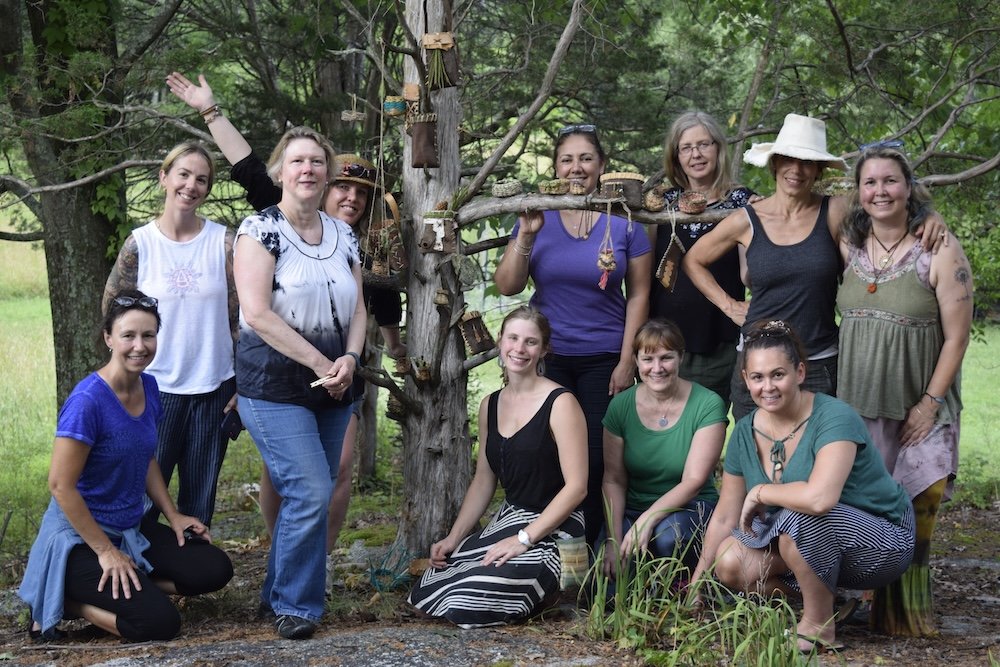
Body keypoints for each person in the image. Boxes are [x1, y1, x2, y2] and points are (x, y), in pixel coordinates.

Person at [166, 71, 405, 553]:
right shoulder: (274, 218)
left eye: (361, 194)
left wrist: (391, 348)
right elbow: (247, 164)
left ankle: (318, 558)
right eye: (344, 188)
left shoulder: (358, 243)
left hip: (341, 371)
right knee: (291, 475)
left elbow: (377, 304)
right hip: (278, 375)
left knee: (337, 469)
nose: (351, 199)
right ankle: (285, 548)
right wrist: (210, 111)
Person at [683, 113, 946, 421]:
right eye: (788, 160)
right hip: (758, 365)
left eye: (807, 162)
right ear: (775, 164)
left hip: (818, 364)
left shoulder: (834, 210)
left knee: (820, 450)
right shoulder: (747, 219)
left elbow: (888, 202)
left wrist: (929, 216)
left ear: (819, 169)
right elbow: (693, 260)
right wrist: (729, 306)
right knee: (754, 448)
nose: (796, 170)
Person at [19, 290, 233, 642]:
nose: (139, 346)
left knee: (214, 567)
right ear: (108, 338)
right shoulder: (87, 402)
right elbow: (60, 486)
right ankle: (67, 600)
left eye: (148, 335)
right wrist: (106, 552)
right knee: (159, 623)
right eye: (128, 335)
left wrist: (173, 515)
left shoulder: (148, 386)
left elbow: (144, 455)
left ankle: (133, 582)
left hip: (130, 530)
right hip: (79, 540)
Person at [690, 320, 915, 654]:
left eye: (778, 374)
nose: (768, 386)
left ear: (799, 372)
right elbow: (725, 516)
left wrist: (761, 492)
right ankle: (828, 604)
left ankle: (818, 627)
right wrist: (697, 583)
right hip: (802, 539)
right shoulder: (744, 432)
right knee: (730, 561)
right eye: (757, 377)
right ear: (746, 380)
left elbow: (820, 499)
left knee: (800, 517)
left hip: (881, 540)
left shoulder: (834, 417)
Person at [234, 126, 367, 639]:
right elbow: (257, 314)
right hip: (273, 387)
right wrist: (320, 363)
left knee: (319, 490)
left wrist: (350, 358)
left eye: (316, 161)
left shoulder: (343, 234)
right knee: (310, 491)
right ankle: (297, 606)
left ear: (326, 173)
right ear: (279, 171)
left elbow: (358, 307)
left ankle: (276, 595)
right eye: (297, 161)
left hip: (336, 386)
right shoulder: (259, 230)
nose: (307, 169)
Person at [837, 144, 973, 636]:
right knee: (866, 511)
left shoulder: (939, 249)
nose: (880, 191)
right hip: (859, 407)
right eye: (869, 182)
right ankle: (856, 601)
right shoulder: (848, 244)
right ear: (858, 191)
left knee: (919, 501)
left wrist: (929, 404)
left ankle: (907, 617)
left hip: (919, 407)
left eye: (890, 180)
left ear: (909, 187)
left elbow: (958, 337)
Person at [494, 124, 652, 545]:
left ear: (602, 165)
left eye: (585, 158)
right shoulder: (537, 217)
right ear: (555, 167)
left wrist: (627, 360)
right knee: (548, 455)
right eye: (567, 159)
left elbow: (639, 295)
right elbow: (507, 285)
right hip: (548, 359)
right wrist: (526, 235)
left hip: (605, 357)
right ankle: (546, 544)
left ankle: (595, 548)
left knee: (598, 460)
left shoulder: (624, 221)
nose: (576, 168)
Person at [408, 306, 588, 628]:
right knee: (429, 586)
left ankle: (556, 591)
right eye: (513, 338)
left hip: (557, 527)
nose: (520, 349)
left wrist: (523, 539)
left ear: (544, 349)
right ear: (500, 341)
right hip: (510, 518)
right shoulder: (490, 404)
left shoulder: (561, 403)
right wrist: (453, 538)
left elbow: (577, 488)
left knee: (467, 599)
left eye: (531, 342)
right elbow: (483, 480)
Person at [102, 142, 237, 528]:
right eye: (183, 174)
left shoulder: (224, 243)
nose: (191, 185)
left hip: (214, 390)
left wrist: (242, 383)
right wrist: (121, 379)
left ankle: (191, 563)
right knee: (142, 500)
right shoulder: (140, 245)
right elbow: (112, 314)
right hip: (152, 391)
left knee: (200, 499)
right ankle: (137, 564)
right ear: (164, 177)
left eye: (202, 179)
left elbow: (241, 318)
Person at [601, 319, 726, 579]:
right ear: (636, 361)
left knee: (668, 538)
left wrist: (649, 519)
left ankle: (686, 585)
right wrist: (613, 538)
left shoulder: (707, 404)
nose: (657, 368)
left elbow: (693, 481)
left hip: (689, 507)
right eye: (648, 359)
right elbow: (613, 479)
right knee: (606, 573)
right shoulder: (620, 407)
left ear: (681, 357)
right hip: (634, 507)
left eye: (666, 358)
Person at [648, 111, 755, 407]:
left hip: (718, 342)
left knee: (708, 423)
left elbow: (749, 275)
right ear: (676, 156)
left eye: (704, 144)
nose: (696, 154)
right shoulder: (660, 205)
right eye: (686, 147)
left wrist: (758, 224)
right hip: (662, 343)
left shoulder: (742, 202)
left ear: (718, 148)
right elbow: (644, 277)